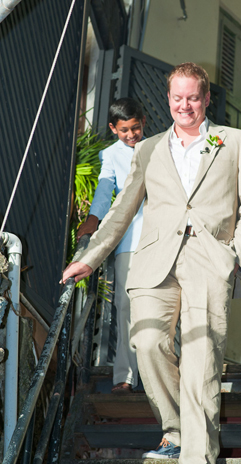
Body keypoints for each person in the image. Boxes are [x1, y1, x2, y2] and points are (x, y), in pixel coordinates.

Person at [62, 62, 241, 464]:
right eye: (177, 98)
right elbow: (122, 209)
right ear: (168, 101)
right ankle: (174, 428)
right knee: (147, 345)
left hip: (209, 262)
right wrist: (92, 258)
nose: (185, 105)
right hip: (154, 264)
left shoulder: (236, 141)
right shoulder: (149, 148)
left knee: (201, 362)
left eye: (193, 97)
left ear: (206, 99)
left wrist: (234, 256)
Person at [77, 97, 146, 394]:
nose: (131, 135)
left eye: (136, 128)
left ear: (143, 122)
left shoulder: (159, 147)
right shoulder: (110, 155)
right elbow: (105, 190)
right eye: (124, 130)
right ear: (113, 129)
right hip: (129, 241)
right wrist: (93, 218)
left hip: (164, 239)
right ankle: (125, 378)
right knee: (125, 306)